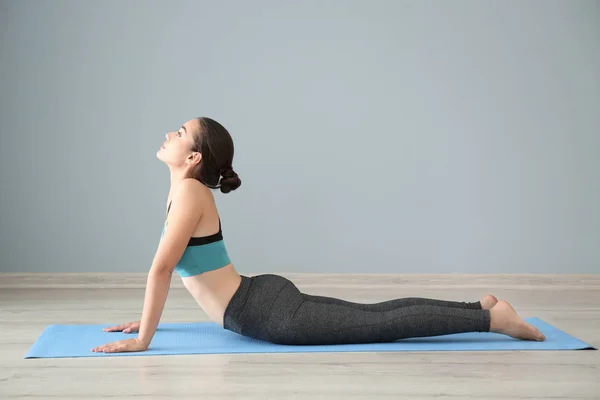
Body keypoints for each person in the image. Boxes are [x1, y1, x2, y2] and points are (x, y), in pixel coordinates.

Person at [91, 117, 545, 353]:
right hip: (258, 299)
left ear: (192, 159)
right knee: (376, 315)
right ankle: (481, 307)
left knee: (379, 325)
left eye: (180, 132)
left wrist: (143, 339)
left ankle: (492, 319)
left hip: (266, 314)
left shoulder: (188, 193)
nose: (170, 134)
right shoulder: (184, 191)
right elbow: (180, 273)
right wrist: (145, 319)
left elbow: (163, 269)